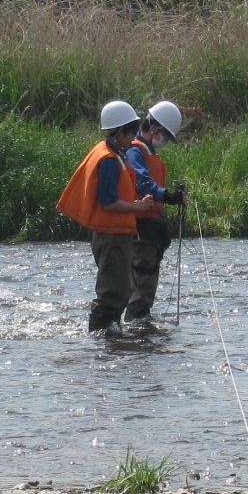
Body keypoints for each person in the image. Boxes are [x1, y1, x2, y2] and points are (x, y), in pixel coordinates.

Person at [56, 101, 159, 335]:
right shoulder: (110, 161)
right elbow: (109, 202)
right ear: (120, 131)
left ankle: (109, 340)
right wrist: (139, 207)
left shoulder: (111, 152)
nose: (134, 138)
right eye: (131, 132)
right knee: (113, 293)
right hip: (111, 235)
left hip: (113, 234)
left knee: (118, 291)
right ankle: (101, 340)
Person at [123, 101, 188, 322]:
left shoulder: (148, 151)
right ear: (155, 129)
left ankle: (142, 324)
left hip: (150, 226)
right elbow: (143, 183)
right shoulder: (135, 150)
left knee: (147, 282)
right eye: (166, 136)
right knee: (142, 282)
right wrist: (169, 197)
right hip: (139, 226)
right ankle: (136, 327)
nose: (165, 142)